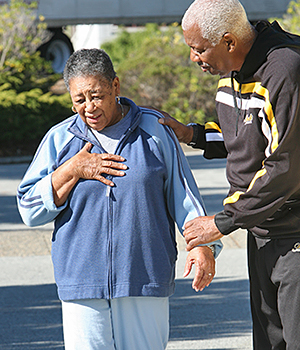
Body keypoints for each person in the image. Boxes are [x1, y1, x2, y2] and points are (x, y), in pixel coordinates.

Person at [17, 48, 222, 350]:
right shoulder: (59, 139)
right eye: (79, 100)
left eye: (97, 95)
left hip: (144, 276)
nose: (89, 107)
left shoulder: (155, 130)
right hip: (81, 281)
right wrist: (71, 170)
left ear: (115, 86)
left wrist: (203, 245)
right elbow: (29, 209)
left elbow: (184, 195)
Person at [158, 0, 300, 349]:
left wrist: (223, 222)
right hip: (263, 231)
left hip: (294, 232)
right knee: (269, 341)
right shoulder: (231, 74)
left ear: (229, 42)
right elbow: (248, 136)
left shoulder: (284, 69)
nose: (194, 58)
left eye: (199, 48)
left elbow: (286, 165)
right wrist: (191, 134)